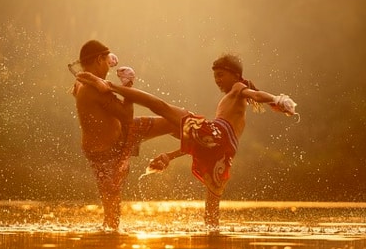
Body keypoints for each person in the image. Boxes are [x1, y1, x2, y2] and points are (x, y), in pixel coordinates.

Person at [76, 53, 298, 231]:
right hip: (224, 152)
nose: (218, 80)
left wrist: (276, 99)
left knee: (161, 106)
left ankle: (111, 86)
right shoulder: (237, 104)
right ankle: (214, 248)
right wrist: (170, 157)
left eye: (221, 75)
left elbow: (257, 95)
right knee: (211, 217)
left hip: (217, 133)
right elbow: (205, 145)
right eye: (215, 77)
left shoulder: (239, 88)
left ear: (235, 75)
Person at [70, 40, 176, 231]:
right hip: (107, 153)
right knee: (112, 218)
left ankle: (196, 136)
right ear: (99, 60)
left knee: (171, 122)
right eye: (106, 63)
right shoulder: (91, 87)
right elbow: (127, 116)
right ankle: (107, 248)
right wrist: (127, 86)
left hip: (120, 136)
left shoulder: (82, 81)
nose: (108, 70)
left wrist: (102, 82)